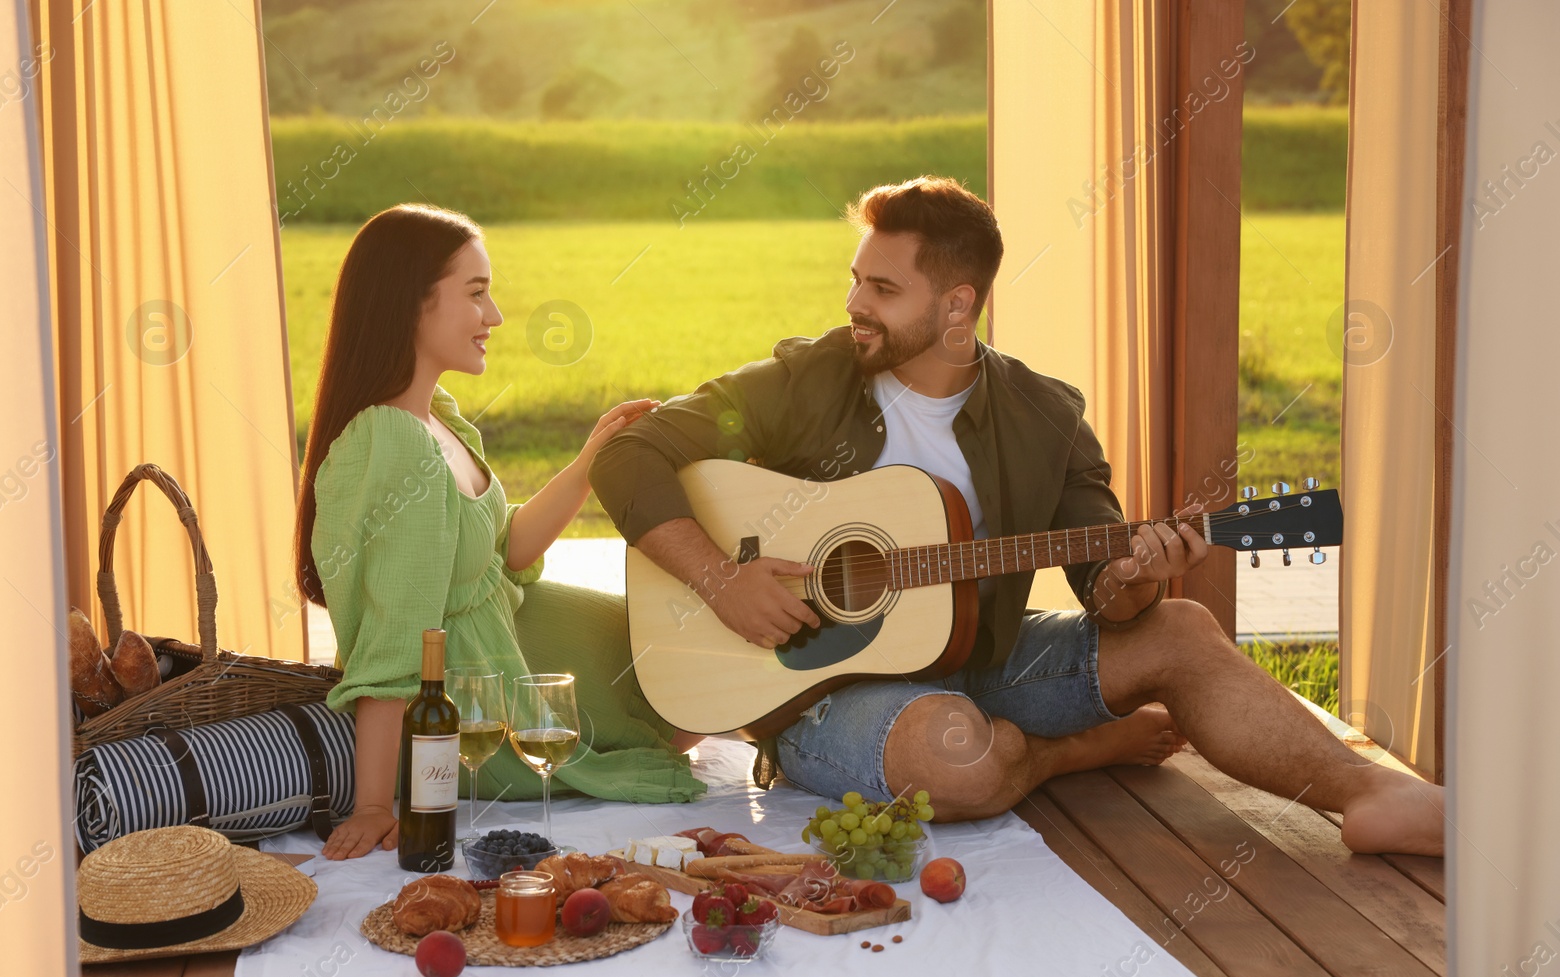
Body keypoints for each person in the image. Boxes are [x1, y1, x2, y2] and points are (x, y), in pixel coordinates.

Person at [589, 176, 1444, 857]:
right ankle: (1074, 750)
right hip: (817, 693)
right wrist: (722, 577)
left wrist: (1135, 575)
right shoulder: (807, 380)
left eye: (882, 287)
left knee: (1183, 629)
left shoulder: (1044, 416)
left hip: (984, 658)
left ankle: (1368, 795)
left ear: (958, 304)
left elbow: (1107, 597)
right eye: (856, 278)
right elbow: (629, 455)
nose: (855, 302)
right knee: (965, 760)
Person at [295, 204, 703, 862]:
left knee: (686, 667)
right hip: (472, 695)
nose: (497, 316)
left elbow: (505, 550)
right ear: (411, 303)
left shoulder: (441, 418)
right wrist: (375, 802)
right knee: (673, 712)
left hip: (512, 631)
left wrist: (588, 461)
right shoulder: (392, 443)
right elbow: (392, 637)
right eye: (477, 294)